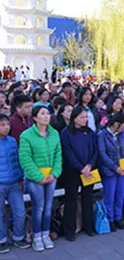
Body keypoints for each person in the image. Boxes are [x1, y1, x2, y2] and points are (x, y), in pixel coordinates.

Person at [19, 106, 62, 252]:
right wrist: (38, 177)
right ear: (35, 118)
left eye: (47, 113)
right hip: (35, 178)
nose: (46, 116)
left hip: (51, 176)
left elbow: (58, 155)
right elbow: (25, 159)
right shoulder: (27, 135)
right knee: (39, 208)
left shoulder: (54, 133)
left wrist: (55, 173)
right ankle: (36, 237)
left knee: (48, 207)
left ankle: (46, 234)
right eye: (42, 114)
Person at [60, 106, 98, 241]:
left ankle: (89, 227)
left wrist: (89, 165)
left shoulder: (90, 132)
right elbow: (68, 153)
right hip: (72, 172)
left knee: (88, 198)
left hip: (89, 170)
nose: (84, 120)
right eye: (81, 117)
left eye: (86, 117)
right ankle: (69, 230)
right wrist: (80, 167)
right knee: (71, 199)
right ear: (74, 118)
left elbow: (95, 150)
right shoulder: (66, 133)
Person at [98, 112, 124, 232]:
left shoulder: (122, 134)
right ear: (116, 124)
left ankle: (118, 217)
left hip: (122, 169)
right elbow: (103, 155)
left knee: (120, 194)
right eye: (123, 124)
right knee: (110, 195)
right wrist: (114, 167)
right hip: (109, 171)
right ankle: (110, 219)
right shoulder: (102, 135)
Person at [0, 114, 30, 253]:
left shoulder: (12, 141)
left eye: (7, 124)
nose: (6, 127)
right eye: (2, 125)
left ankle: (18, 237)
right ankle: (2, 240)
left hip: (14, 183)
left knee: (20, 212)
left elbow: (19, 161)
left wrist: (21, 178)